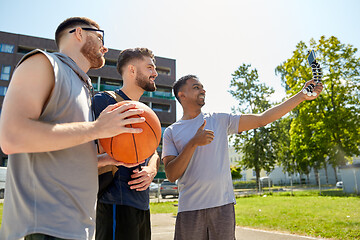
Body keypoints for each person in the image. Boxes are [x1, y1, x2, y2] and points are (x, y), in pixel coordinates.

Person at [0, 17, 146, 240]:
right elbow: (12, 137)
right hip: (47, 227)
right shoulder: (43, 63)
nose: (104, 46)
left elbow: (57, 154)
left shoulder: (84, 88)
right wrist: (97, 128)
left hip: (80, 228)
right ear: (78, 33)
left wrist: (105, 160)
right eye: (100, 37)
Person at [161, 74, 323, 240]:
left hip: (222, 206)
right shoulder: (171, 132)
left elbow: (262, 119)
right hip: (189, 209)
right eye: (196, 87)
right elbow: (172, 174)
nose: (203, 90)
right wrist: (193, 143)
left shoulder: (219, 120)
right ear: (182, 95)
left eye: (202, 87)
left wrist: (301, 96)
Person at [93, 48, 160, 240]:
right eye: (149, 67)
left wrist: (151, 170)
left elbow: (153, 152)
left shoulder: (146, 113)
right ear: (131, 70)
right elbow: (83, 146)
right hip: (114, 201)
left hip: (142, 204)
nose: (154, 73)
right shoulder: (104, 101)